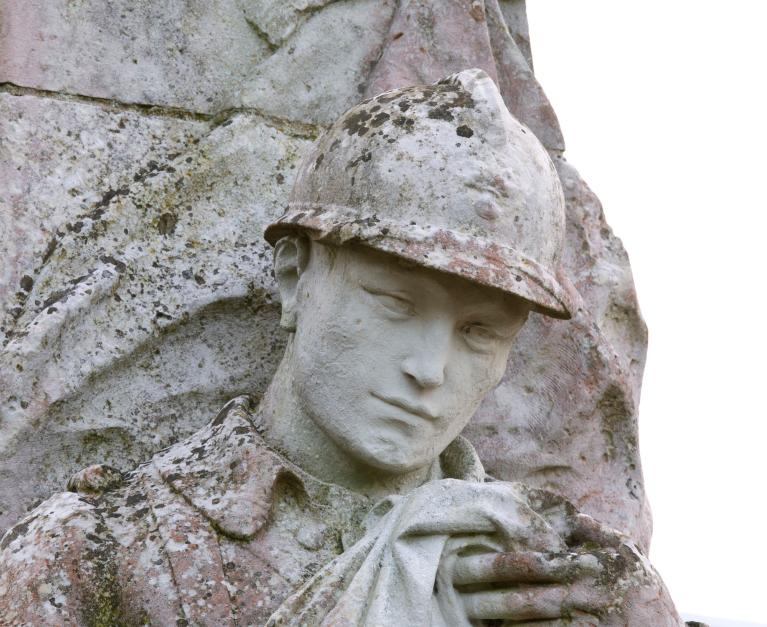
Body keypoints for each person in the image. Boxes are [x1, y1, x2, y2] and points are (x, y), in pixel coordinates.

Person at [0, 69, 680, 626]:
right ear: (296, 277)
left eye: (478, 331)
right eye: (394, 303)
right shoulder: (97, 550)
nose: (428, 368)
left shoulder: (565, 577)